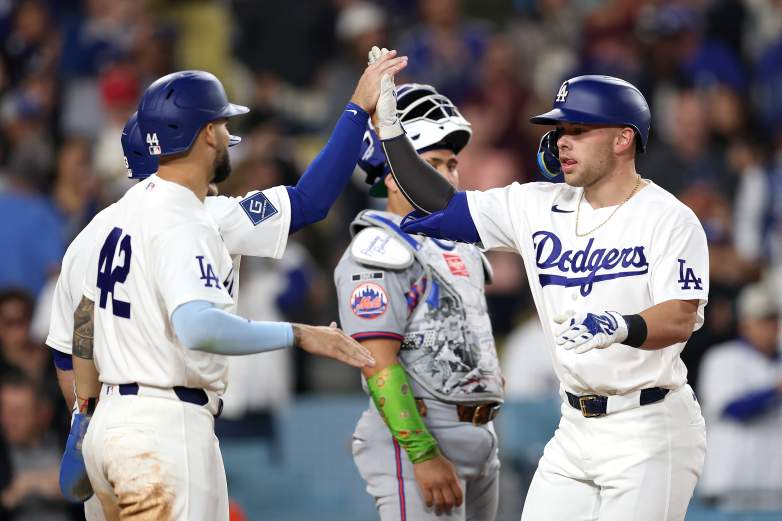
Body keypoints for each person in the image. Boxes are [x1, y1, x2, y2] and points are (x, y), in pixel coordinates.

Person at [55, 60, 400, 520]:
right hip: (165, 426)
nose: (226, 137)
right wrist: (300, 334)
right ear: (202, 135)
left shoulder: (93, 234)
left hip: (109, 427)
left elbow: (77, 335)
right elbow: (308, 203)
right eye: (221, 125)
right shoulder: (196, 217)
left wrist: (85, 415)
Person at [374, 69, 709, 521]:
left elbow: (680, 316)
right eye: (558, 130)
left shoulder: (668, 218)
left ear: (623, 138)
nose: (561, 141)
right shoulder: (535, 205)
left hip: (649, 426)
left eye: (577, 129)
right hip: (573, 427)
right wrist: (394, 137)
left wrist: (620, 326)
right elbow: (443, 206)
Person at [334, 81, 503, 520]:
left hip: (480, 434)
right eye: (430, 163)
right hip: (420, 437)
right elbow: (377, 362)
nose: (445, 175)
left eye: (451, 164)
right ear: (393, 174)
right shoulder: (380, 247)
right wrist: (423, 453)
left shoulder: (460, 244)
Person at [698, 281, 782, 510]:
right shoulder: (722, 358)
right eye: (763, 321)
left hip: (774, 484)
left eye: (774, 320)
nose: (771, 327)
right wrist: (774, 390)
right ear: (745, 324)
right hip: (730, 482)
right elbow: (731, 410)